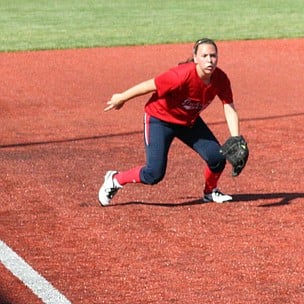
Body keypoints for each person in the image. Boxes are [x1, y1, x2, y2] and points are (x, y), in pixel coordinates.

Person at [99, 38, 241, 206]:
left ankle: (210, 192)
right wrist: (121, 97)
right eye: (204, 56)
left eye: (213, 56)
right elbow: (149, 85)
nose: (209, 60)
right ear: (195, 58)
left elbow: (228, 106)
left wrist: (236, 137)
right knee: (154, 174)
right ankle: (115, 179)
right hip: (160, 119)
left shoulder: (220, 79)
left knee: (217, 157)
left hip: (188, 122)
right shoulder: (181, 75)